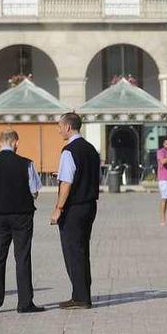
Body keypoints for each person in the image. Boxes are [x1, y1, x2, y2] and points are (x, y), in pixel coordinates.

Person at [0, 129, 45, 314]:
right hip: (22, 216)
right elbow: (34, 191)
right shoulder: (26, 164)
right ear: (16, 142)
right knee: (22, 257)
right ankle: (25, 302)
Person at [50, 112, 101, 310]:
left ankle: (80, 297)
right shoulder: (91, 149)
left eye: (60, 126)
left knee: (73, 251)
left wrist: (58, 208)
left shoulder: (69, 151)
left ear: (68, 127)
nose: (59, 130)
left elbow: (67, 183)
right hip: (90, 205)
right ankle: (82, 293)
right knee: (82, 249)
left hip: (74, 207)